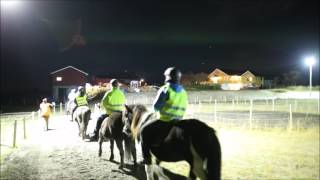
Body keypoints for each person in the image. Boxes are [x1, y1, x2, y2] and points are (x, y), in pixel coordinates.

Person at [141, 67, 188, 163]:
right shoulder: (183, 91)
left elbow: (156, 107)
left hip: (165, 120)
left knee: (144, 131)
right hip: (179, 120)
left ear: (168, 77)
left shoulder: (165, 89)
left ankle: (146, 158)